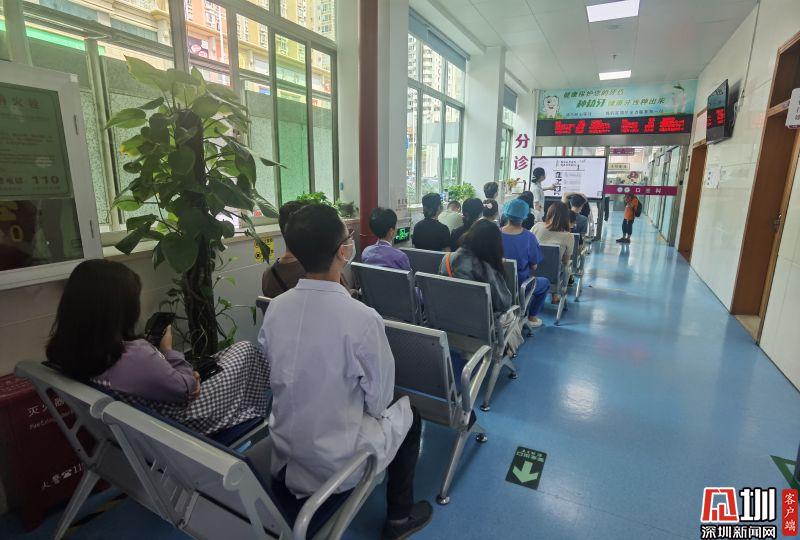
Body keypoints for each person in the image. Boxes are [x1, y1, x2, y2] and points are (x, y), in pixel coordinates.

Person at [259, 204, 431, 539]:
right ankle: (399, 519)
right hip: (334, 460)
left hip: (286, 452)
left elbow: (275, 370)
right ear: (343, 250)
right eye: (348, 237)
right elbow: (379, 401)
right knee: (410, 416)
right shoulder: (361, 318)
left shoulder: (276, 309)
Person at [47, 259, 269, 436]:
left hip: (143, 427)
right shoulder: (134, 357)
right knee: (245, 350)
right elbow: (188, 389)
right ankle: (263, 410)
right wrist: (167, 349)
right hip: (184, 422)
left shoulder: (69, 353)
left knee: (222, 357)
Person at [440, 219, 512, 315]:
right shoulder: (484, 268)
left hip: (448, 314)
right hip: (477, 320)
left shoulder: (447, 258)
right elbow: (504, 304)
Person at [501, 199, 551, 328]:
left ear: (506, 213)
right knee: (545, 283)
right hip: (520, 286)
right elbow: (534, 265)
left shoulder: (495, 233)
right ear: (524, 216)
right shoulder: (529, 237)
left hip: (497, 285)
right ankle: (532, 317)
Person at [532, 201, 574, 304]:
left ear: (549, 213)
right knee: (562, 266)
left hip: (532, 271)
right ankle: (555, 295)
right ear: (566, 218)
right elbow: (566, 261)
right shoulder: (568, 236)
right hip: (553, 276)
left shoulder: (537, 227)